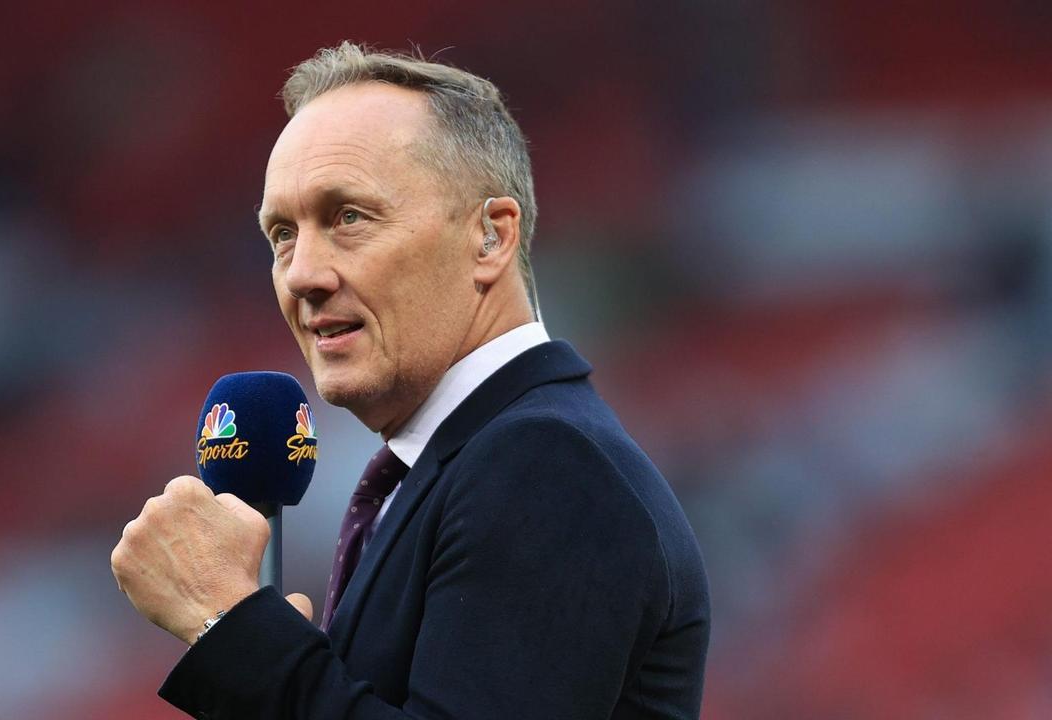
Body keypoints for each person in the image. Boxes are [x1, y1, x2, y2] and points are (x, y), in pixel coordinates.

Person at [111, 42, 710, 719]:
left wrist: (230, 623)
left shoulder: (547, 465)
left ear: (491, 236)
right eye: (282, 235)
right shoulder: (461, 468)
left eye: (349, 217)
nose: (302, 274)